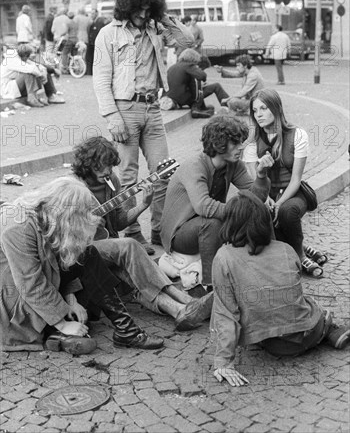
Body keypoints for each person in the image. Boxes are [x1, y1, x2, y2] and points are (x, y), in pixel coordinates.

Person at [0, 177, 164, 353]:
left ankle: (127, 331)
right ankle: (56, 332)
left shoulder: (46, 214)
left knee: (88, 253)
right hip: (14, 294)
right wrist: (62, 323)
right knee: (68, 317)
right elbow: (29, 284)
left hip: (42, 280)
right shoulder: (18, 227)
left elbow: (61, 260)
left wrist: (70, 297)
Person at [93, 0, 194, 252]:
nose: (143, 14)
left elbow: (188, 43)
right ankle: (133, 231)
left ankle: (160, 230)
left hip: (153, 108)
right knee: (127, 176)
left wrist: (166, 18)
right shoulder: (108, 34)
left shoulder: (154, 27)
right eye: (138, 8)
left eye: (149, 8)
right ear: (127, 6)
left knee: (164, 172)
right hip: (124, 109)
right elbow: (100, 79)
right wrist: (111, 117)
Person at [71, 136, 213, 330]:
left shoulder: (111, 181)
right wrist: (83, 223)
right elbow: (56, 224)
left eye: (110, 166)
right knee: (129, 244)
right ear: (88, 165)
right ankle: (185, 298)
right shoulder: (72, 187)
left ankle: (178, 310)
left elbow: (119, 222)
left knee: (134, 279)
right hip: (80, 250)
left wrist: (144, 205)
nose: (107, 171)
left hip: (106, 248)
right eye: (101, 166)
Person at [211, 191, 350, 387]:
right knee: (309, 303)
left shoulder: (223, 257)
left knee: (236, 302)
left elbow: (226, 313)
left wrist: (224, 362)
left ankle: (323, 329)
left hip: (274, 344)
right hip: (309, 332)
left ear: (230, 223)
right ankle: (327, 328)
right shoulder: (286, 249)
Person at [160, 115, 274, 288]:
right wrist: (241, 212)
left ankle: (268, 266)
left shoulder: (233, 164)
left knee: (261, 210)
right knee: (212, 223)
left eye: (240, 142)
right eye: (234, 143)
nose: (240, 147)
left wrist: (261, 176)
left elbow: (255, 199)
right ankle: (210, 285)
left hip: (208, 223)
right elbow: (203, 206)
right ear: (218, 144)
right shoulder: (194, 166)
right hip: (180, 234)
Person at [244, 88, 327, 277]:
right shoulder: (251, 142)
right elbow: (253, 182)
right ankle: (302, 246)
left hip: (292, 191)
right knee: (262, 217)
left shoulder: (297, 135)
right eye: (255, 111)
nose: (259, 115)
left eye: (264, 108)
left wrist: (279, 202)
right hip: (265, 193)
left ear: (276, 108)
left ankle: (299, 255)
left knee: (286, 212)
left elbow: (296, 179)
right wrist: (266, 200)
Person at [161, 48, 229, 118]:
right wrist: (201, 76)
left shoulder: (173, 66)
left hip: (171, 96)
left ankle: (201, 108)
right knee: (216, 86)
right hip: (182, 97)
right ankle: (228, 106)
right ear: (193, 58)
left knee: (196, 83)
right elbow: (202, 76)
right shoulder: (189, 65)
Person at [0, 44, 64, 107]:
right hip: (8, 90)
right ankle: (31, 98)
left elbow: (35, 65)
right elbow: (31, 69)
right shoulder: (12, 59)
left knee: (42, 69)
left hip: (17, 87)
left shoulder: (19, 56)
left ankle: (50, 96)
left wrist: (43, 69)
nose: (29, 58)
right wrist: (42, 76)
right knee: (29, 73)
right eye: (28, 56)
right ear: (25, 55)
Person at [85, 9, 107, 75]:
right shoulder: (92, 21)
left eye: (93, 13)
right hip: (92, 43)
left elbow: (98, 32)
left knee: (94, 58)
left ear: (96, 14)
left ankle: (91, 72)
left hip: (95, 43)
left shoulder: (99, 21)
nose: (91, 15)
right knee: (89, 58)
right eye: (91, 13)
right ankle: (89, 72)